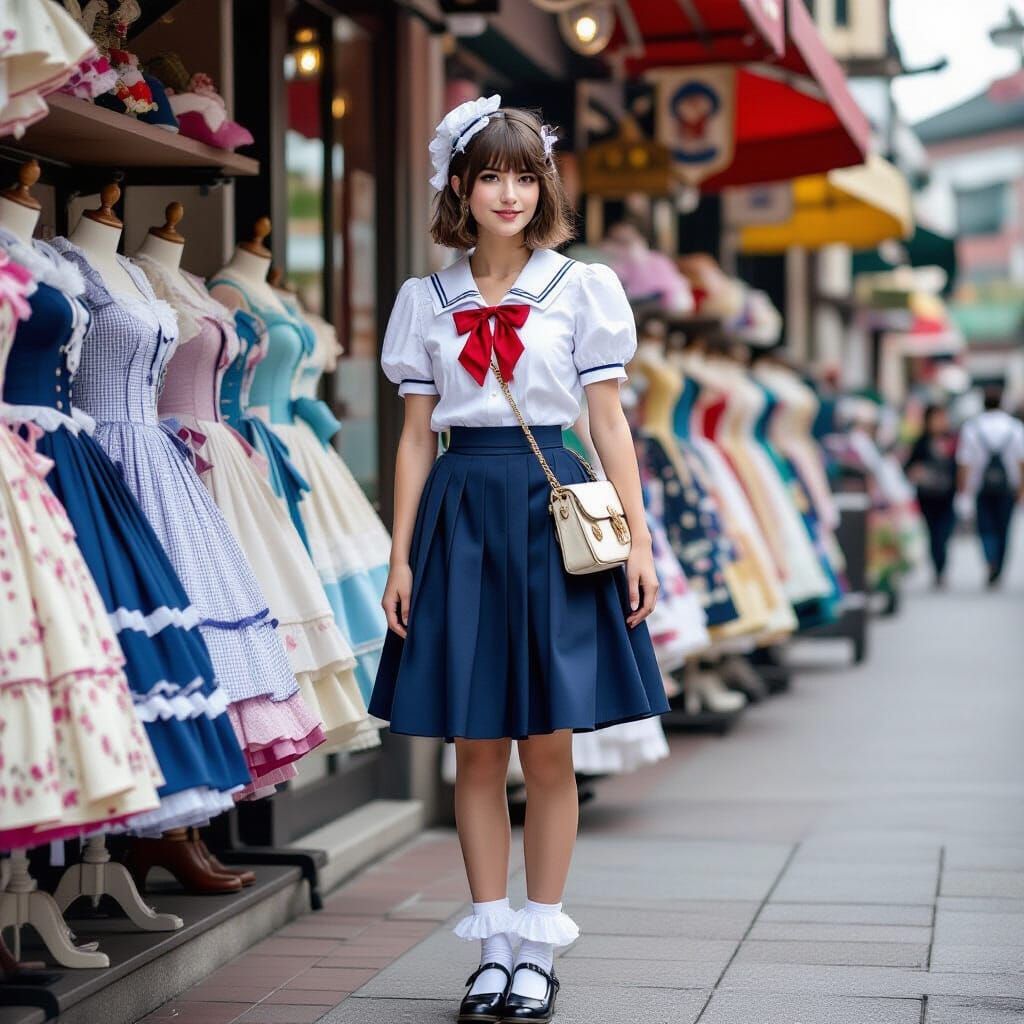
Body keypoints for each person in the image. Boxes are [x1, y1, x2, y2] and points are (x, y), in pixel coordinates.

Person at [369, 96, 668, 1023]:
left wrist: (637, 538)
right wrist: (400, 555)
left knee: (548, 747)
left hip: (550, 510)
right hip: (461, 511)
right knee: (474, 745)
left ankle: (539, 946)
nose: (509, 192)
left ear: (545, 186)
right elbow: (416, 437)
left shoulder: (583, 290)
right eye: (491, 173)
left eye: (526, 174)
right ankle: (490, 946)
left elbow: (608, 422)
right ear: (459, 184)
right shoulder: (424, 300)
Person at [956, 384, 1024, 586]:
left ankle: (990, 561)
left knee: (986, 528)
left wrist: (963, 490)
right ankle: (999, 566)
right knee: (1004, 529)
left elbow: (965, 463)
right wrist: (1021, 488)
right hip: (1007, 488)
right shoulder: (1015, 427)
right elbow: (1021, 462)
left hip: (981, 488)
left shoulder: (972, 428)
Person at [906, 404, 958, 587]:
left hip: (947, 495)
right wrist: (916, 472)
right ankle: (938, 569)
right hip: (927, 496)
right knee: (933, 533)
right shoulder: (921, 442)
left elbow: (960, 465)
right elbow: (909, 466)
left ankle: (941, 567)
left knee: (944, 533)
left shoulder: (953, 440)